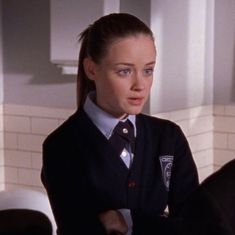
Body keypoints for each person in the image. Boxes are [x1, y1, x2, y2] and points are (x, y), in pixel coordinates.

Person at [41, 13, 199, 235]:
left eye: (148, 70)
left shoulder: (169, 137)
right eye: (124, 71)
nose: (140, 85)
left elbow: (198, 225)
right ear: (91, 69)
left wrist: (127, 220)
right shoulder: (62, 146)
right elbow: (78, 230)